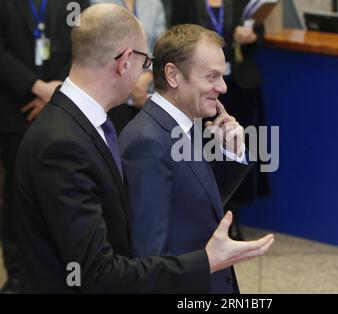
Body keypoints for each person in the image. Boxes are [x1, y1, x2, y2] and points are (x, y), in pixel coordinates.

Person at [15, 4, 274, 293]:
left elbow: (188, 205)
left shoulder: (88, 126)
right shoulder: (64, 142)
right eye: (145, 61)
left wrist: (229, 154)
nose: (145, 72)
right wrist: (207, 261)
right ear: (125, 61)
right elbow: (101, 269)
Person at [119, 24, 261, 294]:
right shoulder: (147, 142)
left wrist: (230, 152)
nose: (222, 87)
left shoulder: (183, 124)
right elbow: (150, 262)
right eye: (211, 77)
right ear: (172, 74)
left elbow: (194, 204)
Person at [0, 0, 90, 293]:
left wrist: (56, 88)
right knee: (15, 191)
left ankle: (68, 264)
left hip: (64, 100)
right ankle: (16, 269)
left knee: (63, 187)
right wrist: (37, 88)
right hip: (16, 105)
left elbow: (85, 42)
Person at [171, 0, 270, 241]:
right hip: (199, 88)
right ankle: (208, 216)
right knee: (205, 148)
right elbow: (176, 38)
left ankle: (234, 216)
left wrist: (250, 37)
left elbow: (259, 33)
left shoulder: (241, 3)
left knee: (237, 147)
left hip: (238, 85)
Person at [90, 0, 167, 133]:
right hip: (113, 93)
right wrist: (130, 79)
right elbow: (99, 47)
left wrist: (148, 75)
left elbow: (162, 47)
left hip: (146, 92)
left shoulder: (154, 4)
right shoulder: (99, 3)